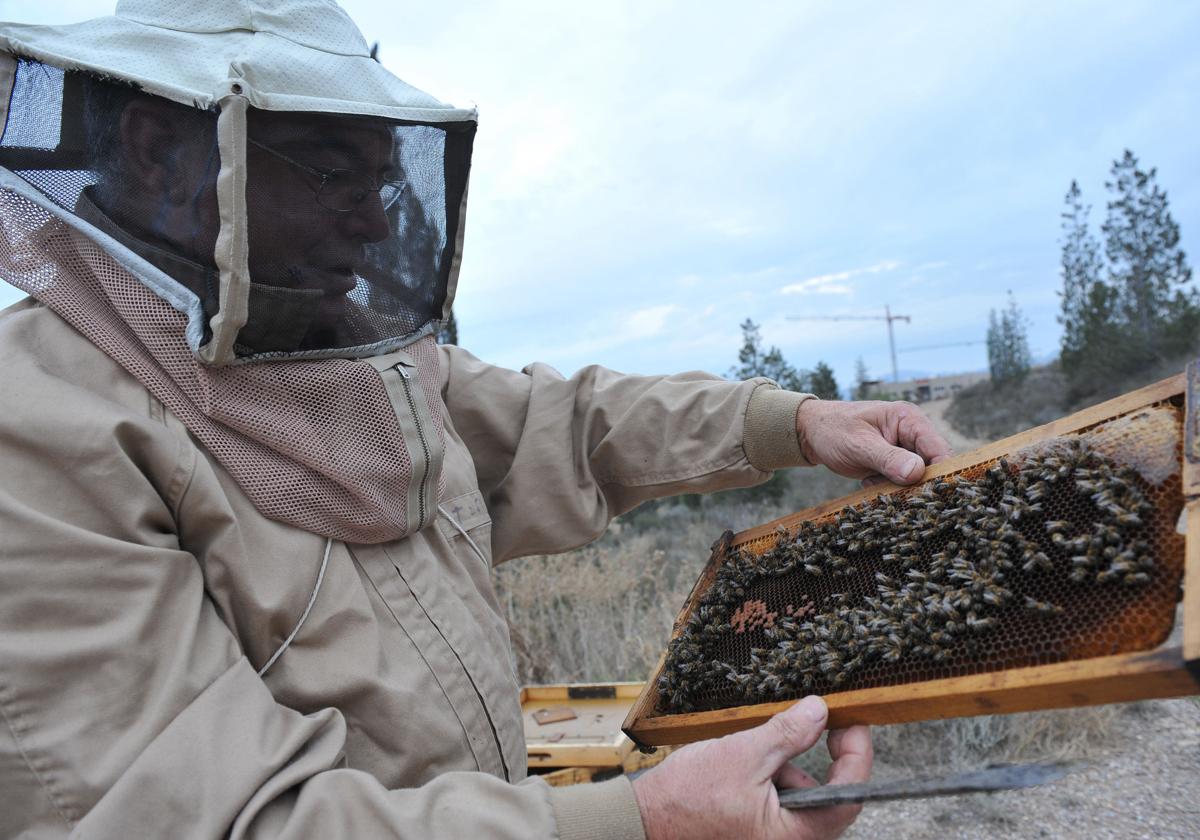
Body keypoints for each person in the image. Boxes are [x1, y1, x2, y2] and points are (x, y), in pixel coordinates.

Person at [0, 2, 950, 838]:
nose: (376, 225)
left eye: (383, 178)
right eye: (333, 172)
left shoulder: (346, 358)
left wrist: (793, 422)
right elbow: (210, 821)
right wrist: (642, 822)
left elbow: (564, 423)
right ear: (159, 147)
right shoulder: (39, 431)